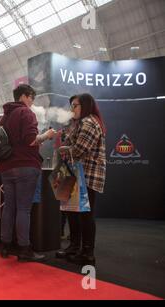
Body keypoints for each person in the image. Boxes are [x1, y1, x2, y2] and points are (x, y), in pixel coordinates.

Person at [0, 84, 56, 262]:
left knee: (9, 207)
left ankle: (5, 245)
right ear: (25, 96)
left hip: (6, 167)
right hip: (25, 165)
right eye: (32, 98)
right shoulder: (26, 113)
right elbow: (32, 140)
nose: (32, 102)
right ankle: (24, 249)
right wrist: (47, 135)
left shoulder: (4, 117)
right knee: (24, 209)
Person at [56, 94, 106, 266]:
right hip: (74, 174)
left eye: (75, 106)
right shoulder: (78, 123)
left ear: (85, 105)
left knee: (85, 215)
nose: (72, 109)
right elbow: (69, 143)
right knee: (71, 212)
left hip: (86, 175)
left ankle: (87, 253)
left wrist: (64, 148)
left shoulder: (90, 122)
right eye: (71, 106)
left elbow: (79, 149)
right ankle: (74, 246)